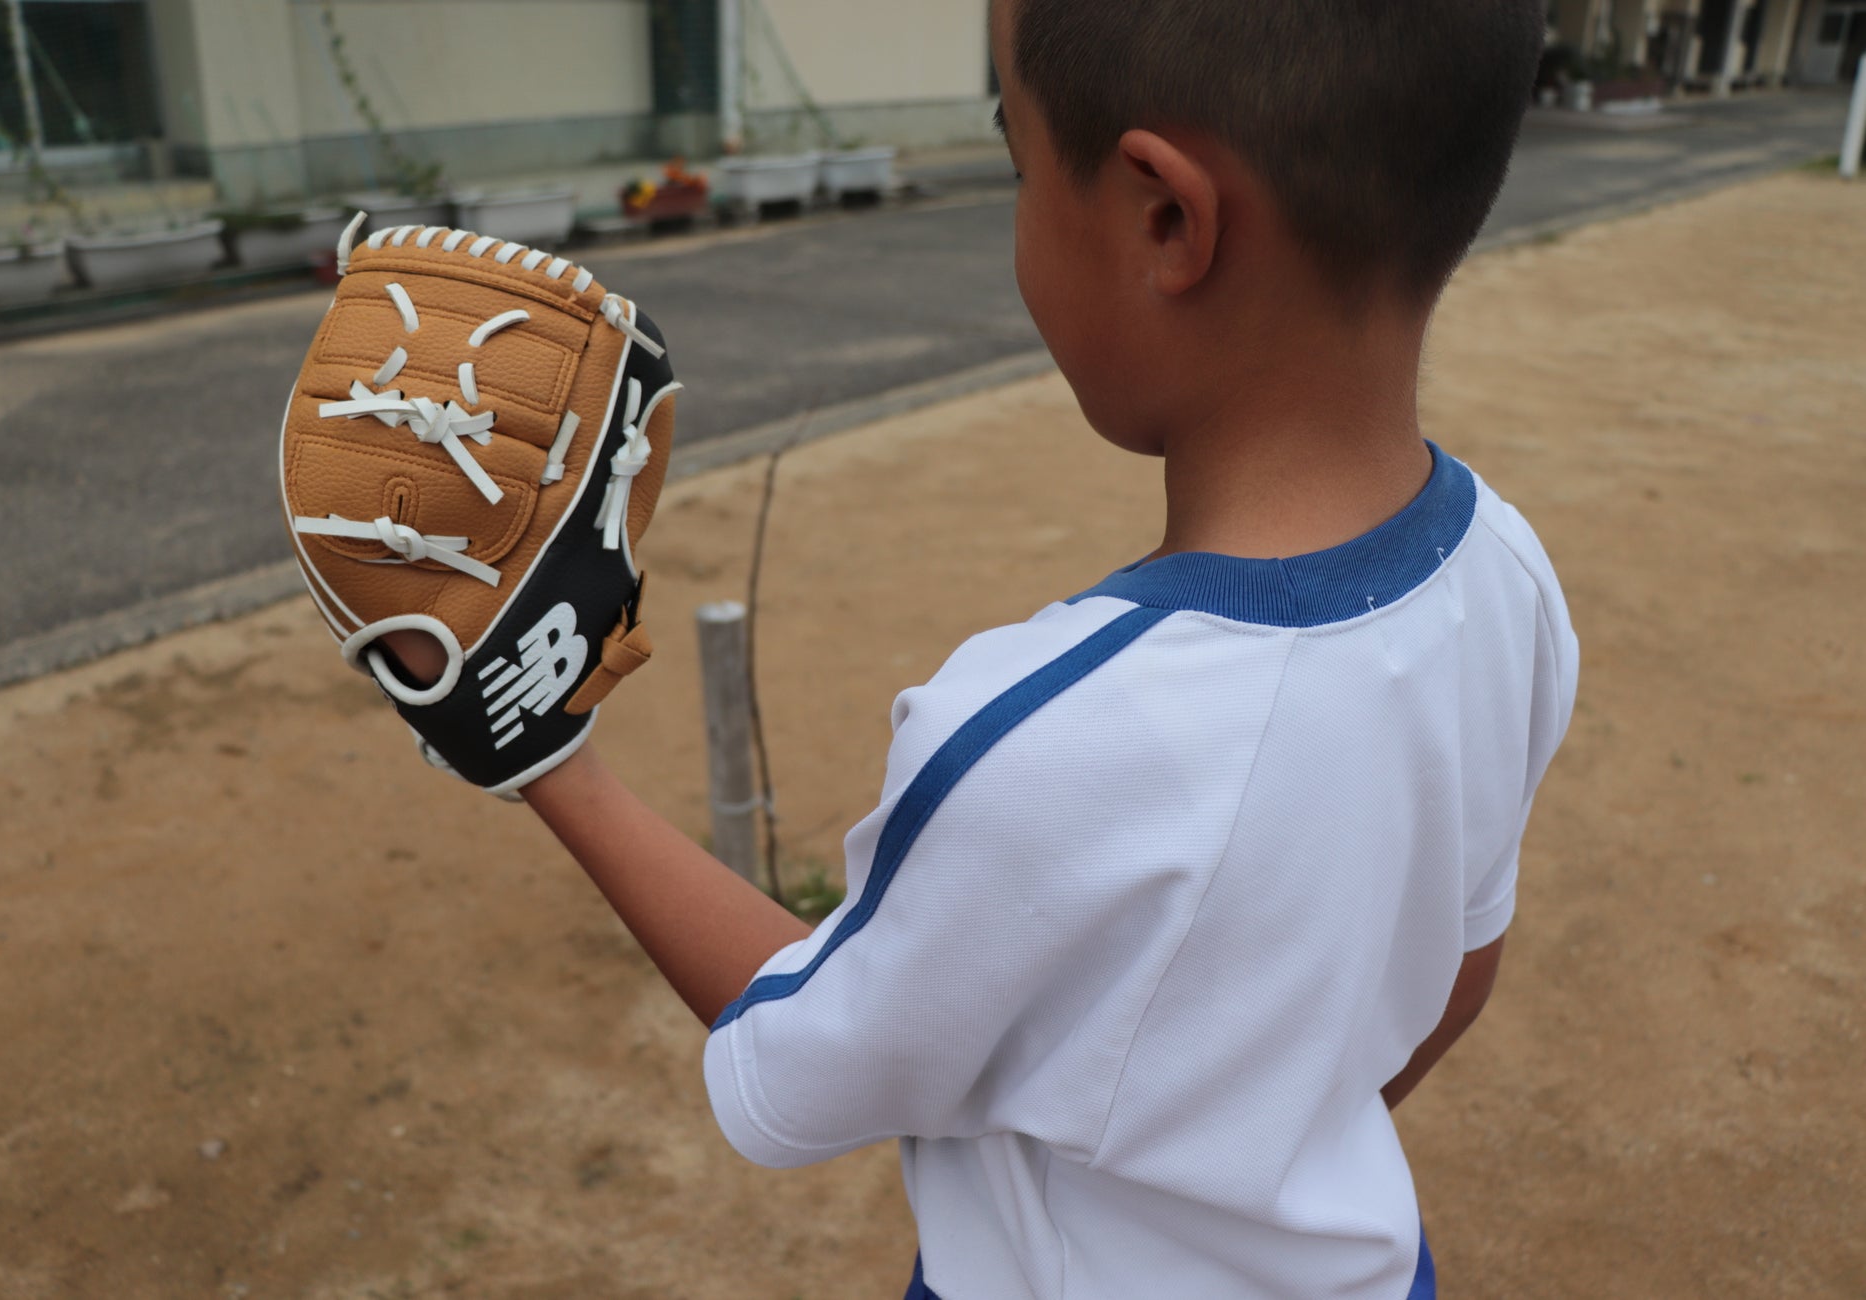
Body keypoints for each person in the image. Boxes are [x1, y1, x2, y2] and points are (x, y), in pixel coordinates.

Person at [387, 1, 1574, 1295]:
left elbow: (799, 1056)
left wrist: (544, 750)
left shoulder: (1051, 743)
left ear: (1163, 218)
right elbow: (1457, 973)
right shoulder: (1505, 572)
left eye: (1016, 161)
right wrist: (1253, 1145)